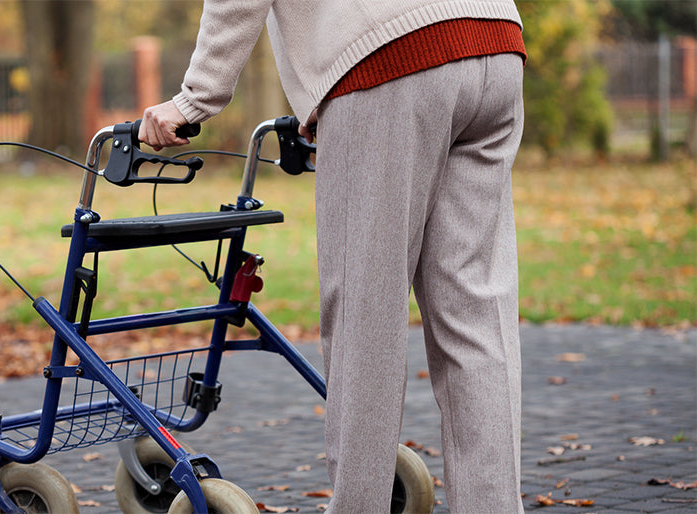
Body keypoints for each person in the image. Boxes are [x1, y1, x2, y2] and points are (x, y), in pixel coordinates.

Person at [137, 1, 527, 512]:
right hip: (493, 40)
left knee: (366, 315)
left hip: (388, 58)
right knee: (475, 314)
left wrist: (193, 101)